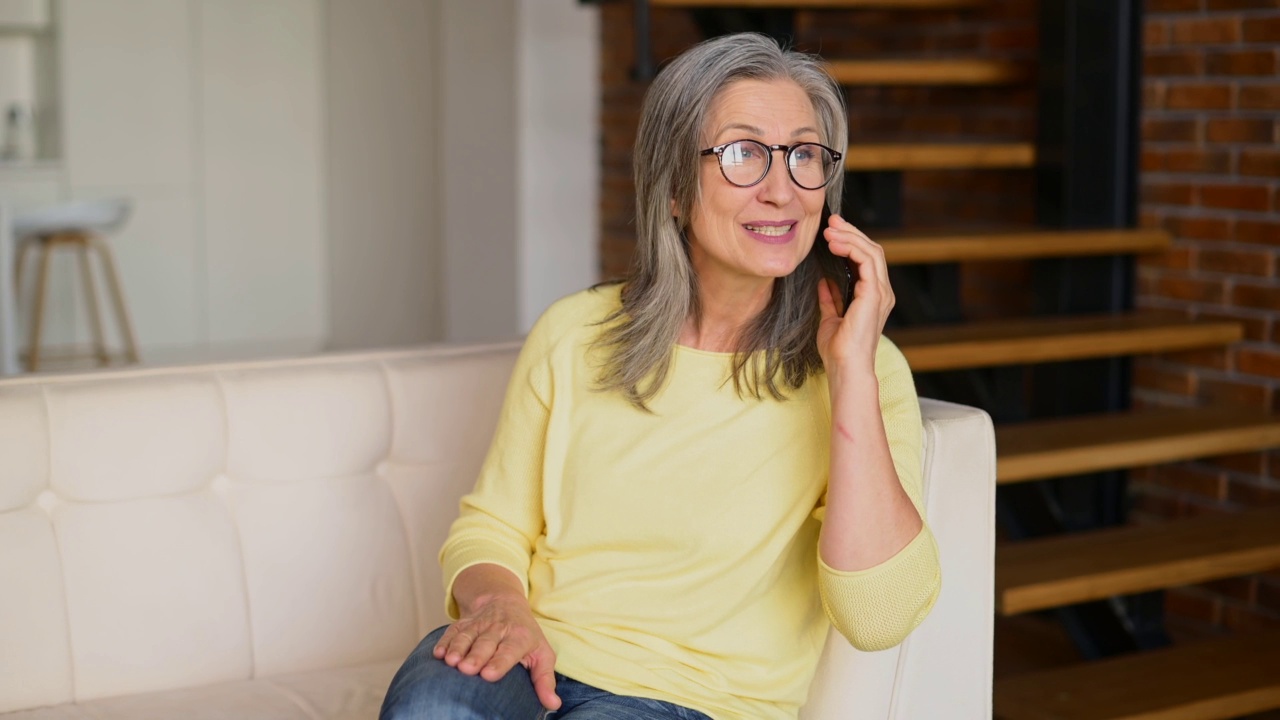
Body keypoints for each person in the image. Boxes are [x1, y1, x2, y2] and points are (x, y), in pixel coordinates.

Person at [380, 32, 941, 720]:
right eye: (743, 155)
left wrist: (851, 372)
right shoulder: (575, 333)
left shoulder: (863, 366)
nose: (781, 190)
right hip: (534, 661)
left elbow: (879, 617)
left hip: (688, 703)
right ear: (674, 189)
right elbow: (491, 528)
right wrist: (505, 611)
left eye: (803, 155)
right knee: (434, 708)